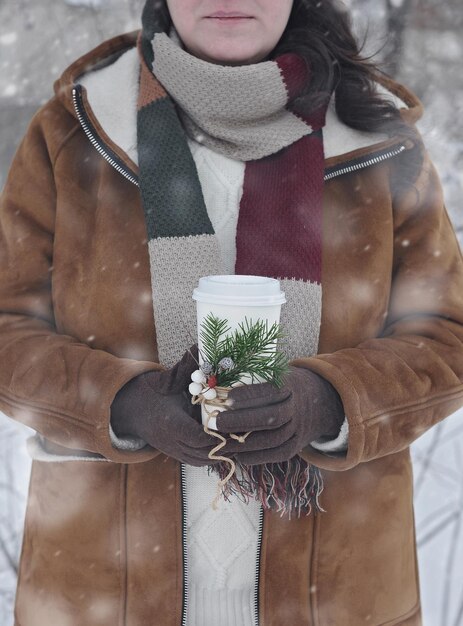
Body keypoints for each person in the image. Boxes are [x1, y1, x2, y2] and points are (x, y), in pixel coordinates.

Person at [1, 0, 463, 624]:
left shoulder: (379, 138)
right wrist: (123, 403)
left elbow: (445, 335)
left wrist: (327, 401)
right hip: (100, 593)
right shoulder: (75, 129)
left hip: (336, 594)